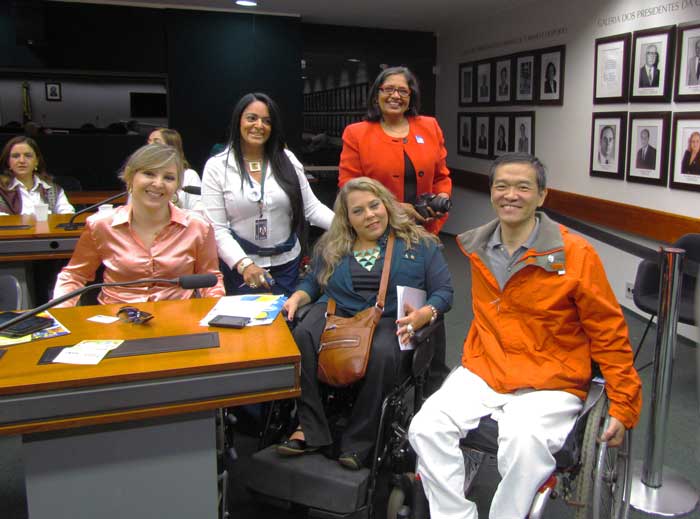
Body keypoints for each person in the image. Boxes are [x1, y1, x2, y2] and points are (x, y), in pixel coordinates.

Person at [408, 153, 642, 519]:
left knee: (522, 443)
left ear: (542, 195)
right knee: (425, 427)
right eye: (501, 186)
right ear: (491, 193)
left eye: (523, 187)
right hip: (487, 368)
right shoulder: (476, 247)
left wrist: (625, 404)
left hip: (550, 377)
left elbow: (608, 331)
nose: (510, 195)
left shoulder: (576, 255)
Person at [278, 177, 453, 470]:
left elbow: (444, 292)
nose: (370, 215)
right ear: (348, 219)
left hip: (388, 318)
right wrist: (297, 297)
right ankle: (310, 427)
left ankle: (360, 441)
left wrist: (425, 313)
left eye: (375, 206)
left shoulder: (420, 244)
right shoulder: (332, 247)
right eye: (358, 211)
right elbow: (312, 281)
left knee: (384, 350)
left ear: (387, 205)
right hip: (338, 310)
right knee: (303, 335)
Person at [53, 143, 225, 306]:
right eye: (149, 174)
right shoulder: (100, 225)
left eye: (169, 177)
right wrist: (59, 314)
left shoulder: (198, 227)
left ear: (177, 186)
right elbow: (74, 276)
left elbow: (210, 281)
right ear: (130, 176)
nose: (158, 183)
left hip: (178, 321)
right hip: (116, 322)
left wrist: (215, 313)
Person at [202, 92, 334, 296]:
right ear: (239, 121)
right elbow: (217, 229)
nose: (259, 125)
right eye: (251, 118)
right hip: (242, 268)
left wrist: (351, 228)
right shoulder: (217, 166)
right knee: (248, 325)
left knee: (286, 324)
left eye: (267, 121)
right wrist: (244, 265)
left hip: (287, 265)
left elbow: (312, 208)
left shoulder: (287, 159)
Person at [338, 66, 452, 235]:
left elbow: (441, 177)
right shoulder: (356, 133)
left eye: (403, 91)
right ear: (377, 96)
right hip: (377, 229)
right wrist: (395, 208)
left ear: (410, 98)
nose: (395, 96)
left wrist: (441, 198)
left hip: (423, 230)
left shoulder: (430, 127)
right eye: (388, 89)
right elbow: (349, 186)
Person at [0, 136, 74, 216]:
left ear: (36, 161)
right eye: (16, 156)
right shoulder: (1, 189)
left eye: (28, 155)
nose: (22, 161)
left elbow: (68, 216)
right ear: (8, 162)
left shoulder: (52, 189)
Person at [147, 128, 202, 212]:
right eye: (149, 142)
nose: (150, 146)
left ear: (171, 147)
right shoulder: (140, 175)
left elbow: (199, 212)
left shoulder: (189, 175)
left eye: (156, 142)